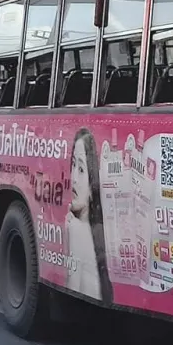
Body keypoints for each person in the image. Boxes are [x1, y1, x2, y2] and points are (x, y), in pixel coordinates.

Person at [64, 127, 111, 302]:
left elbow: (72, 294)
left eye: (81, 169)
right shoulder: (97, 232)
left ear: (93, 186)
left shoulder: (77, 229)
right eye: (73, 165)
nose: (74, 178)